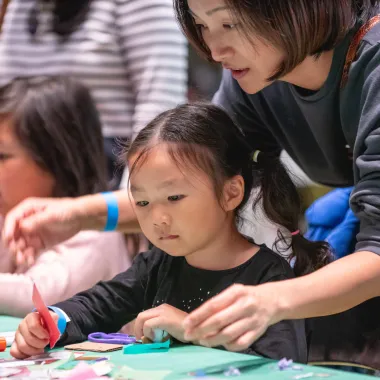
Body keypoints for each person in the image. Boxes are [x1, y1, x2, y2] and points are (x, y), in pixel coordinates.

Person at [5, 0, 380, 354]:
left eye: (228, 23)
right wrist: (73, 216)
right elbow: (188, 180)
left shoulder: (371, 64)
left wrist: (270, 300)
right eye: (202, 26)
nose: (215, 50)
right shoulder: (254, 73)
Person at [9, 103, 321, 361]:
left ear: (230, 193)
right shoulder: (158, 265)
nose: (157, 218)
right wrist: (51, 321)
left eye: (174, 198)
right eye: (142, 202)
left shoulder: (269, 278)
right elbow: (98, 304)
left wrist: (192, 329)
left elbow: (282, 366)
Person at [0, 0, 188, 186]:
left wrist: (133, 195)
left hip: (109, 172)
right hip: (27, 168)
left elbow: (160, 108)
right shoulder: (20, 6)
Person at [0, 76, 132, 317]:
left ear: (56, 160)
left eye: (2, 156)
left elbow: (39, 297)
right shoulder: (7, 215)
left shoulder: (96, 230)